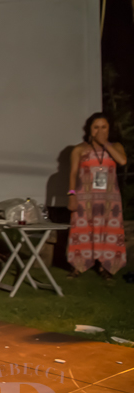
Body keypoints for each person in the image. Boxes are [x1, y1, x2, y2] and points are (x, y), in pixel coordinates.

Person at [67, 112, 127, 279]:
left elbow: (122, 161)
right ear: (89, 129)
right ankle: (78, 265)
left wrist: (105, 143)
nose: (99, 130)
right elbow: (73, 173)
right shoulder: (79, 149)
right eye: (96, 127)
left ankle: (106, 266)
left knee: (109, 230)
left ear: (109, 129)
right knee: (82, 229)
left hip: (109, 198)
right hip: (85, 197)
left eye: (103, 127)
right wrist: (71, 194)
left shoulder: (116, 147)